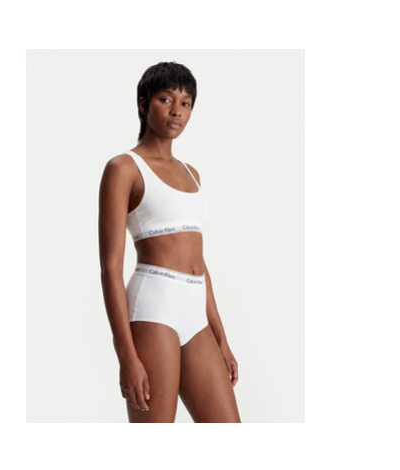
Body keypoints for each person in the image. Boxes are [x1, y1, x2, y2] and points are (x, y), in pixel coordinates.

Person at [98, 61, 241, 423]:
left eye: (186, 103)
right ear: (143, 103)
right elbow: (111, 267)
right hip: (153, 308)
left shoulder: (192, 174)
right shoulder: (123, 168)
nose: (177, 110)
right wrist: (126, 356)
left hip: (196, 312)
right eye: (166, 99)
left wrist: (221, 338)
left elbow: (199, 262)